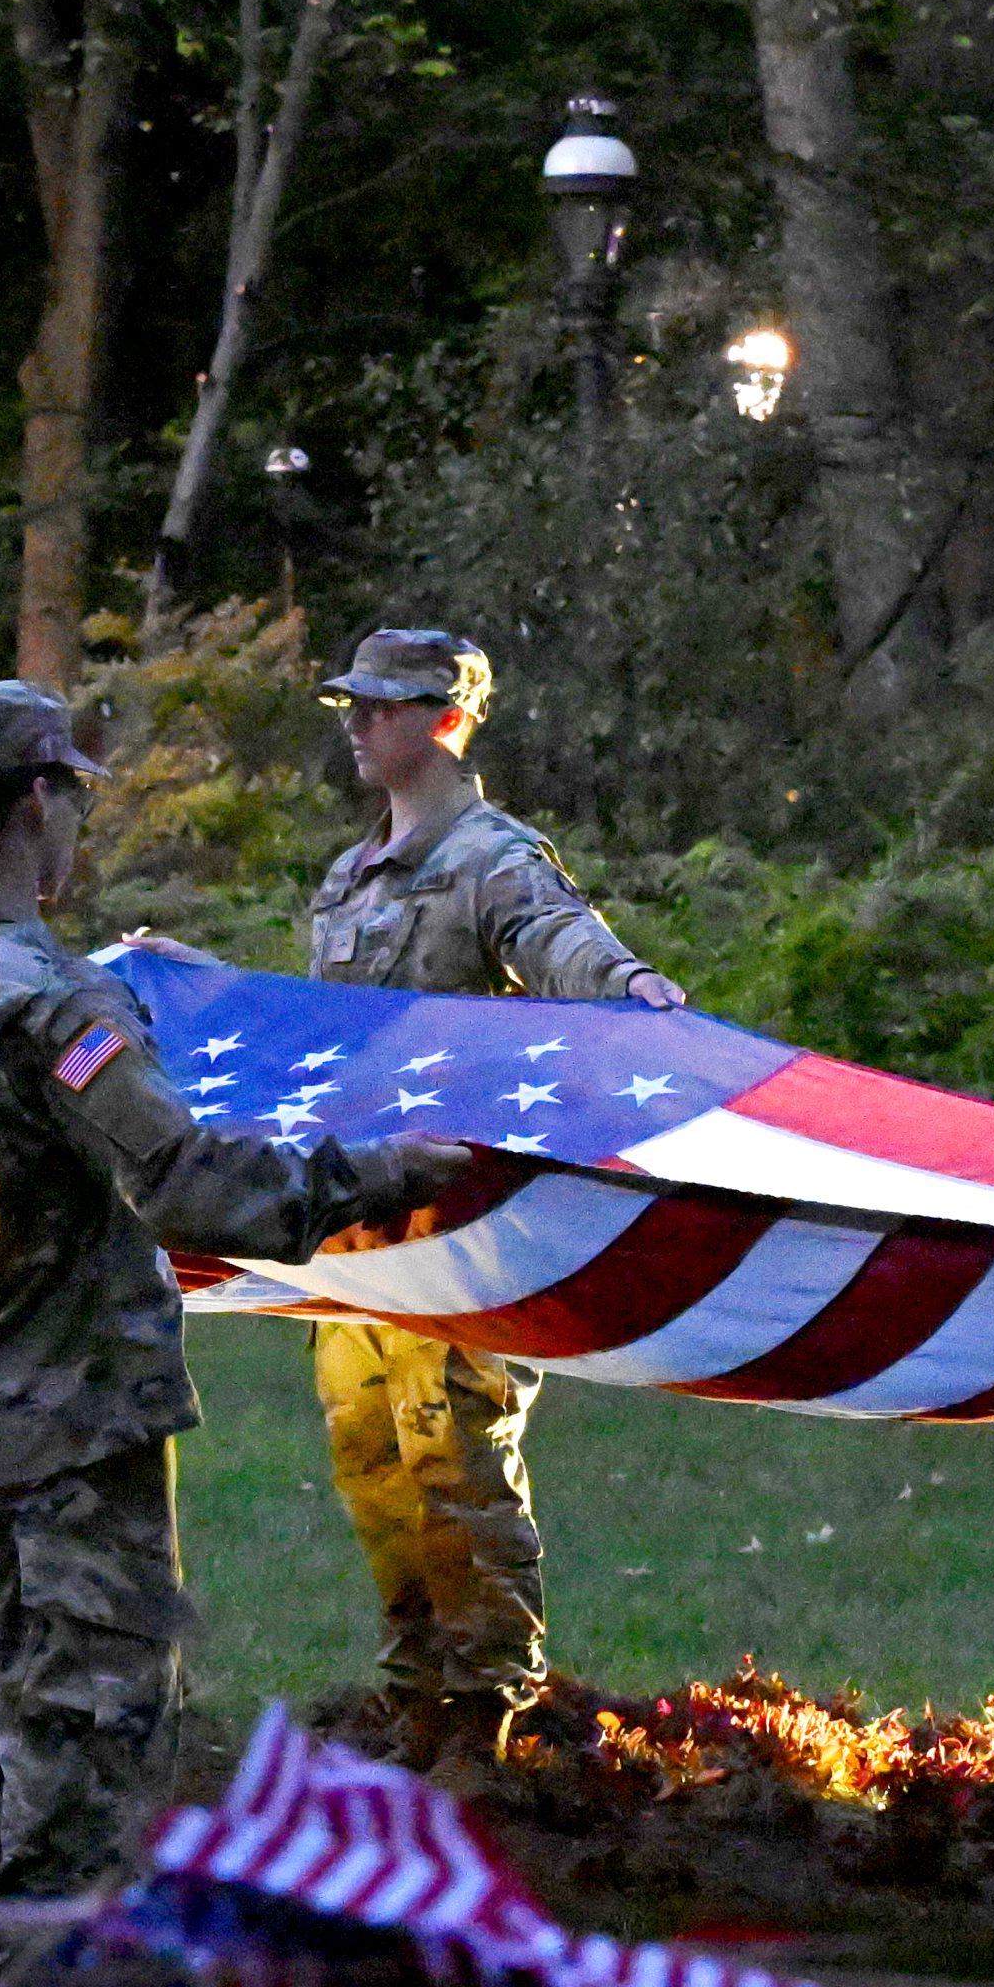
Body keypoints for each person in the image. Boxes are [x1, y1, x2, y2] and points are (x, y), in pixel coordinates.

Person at [0, 679, 470, 1985]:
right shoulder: (54, 1001)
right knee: (84, 1764)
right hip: (62, 1440)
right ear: (41, 801)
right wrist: (389, 1172)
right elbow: (187, 1182)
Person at [294, 626, 687, 1767]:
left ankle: (486, 1725)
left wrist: (630, 989)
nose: (357, 723)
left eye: (380, 705)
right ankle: (416, 1697)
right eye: (351, 705)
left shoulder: (489, 855)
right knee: (371, 1465)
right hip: (353, 1227)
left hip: (454, 1230)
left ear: (446, 718)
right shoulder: (346, 873)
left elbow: (555, 936)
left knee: (458, 1464)